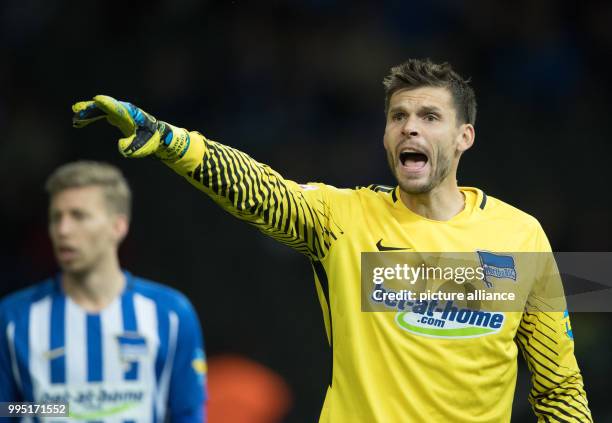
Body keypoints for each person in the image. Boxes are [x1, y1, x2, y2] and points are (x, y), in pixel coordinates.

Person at [71, 58, 591, 422]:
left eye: (430, 117)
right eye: (398, 117)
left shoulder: (520, 235)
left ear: (464, 137)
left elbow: (558, 387)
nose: (410, 129)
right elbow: (259, 189)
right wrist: (170, 140)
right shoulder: (341, 218)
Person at [0, 161, 207, 422]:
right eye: (56, 217)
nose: (63, 230)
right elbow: (5, 409)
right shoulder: (14, 317)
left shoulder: (171, 314)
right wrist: (58, 409)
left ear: (118, 226)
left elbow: (187, 414)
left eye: (79, 216)